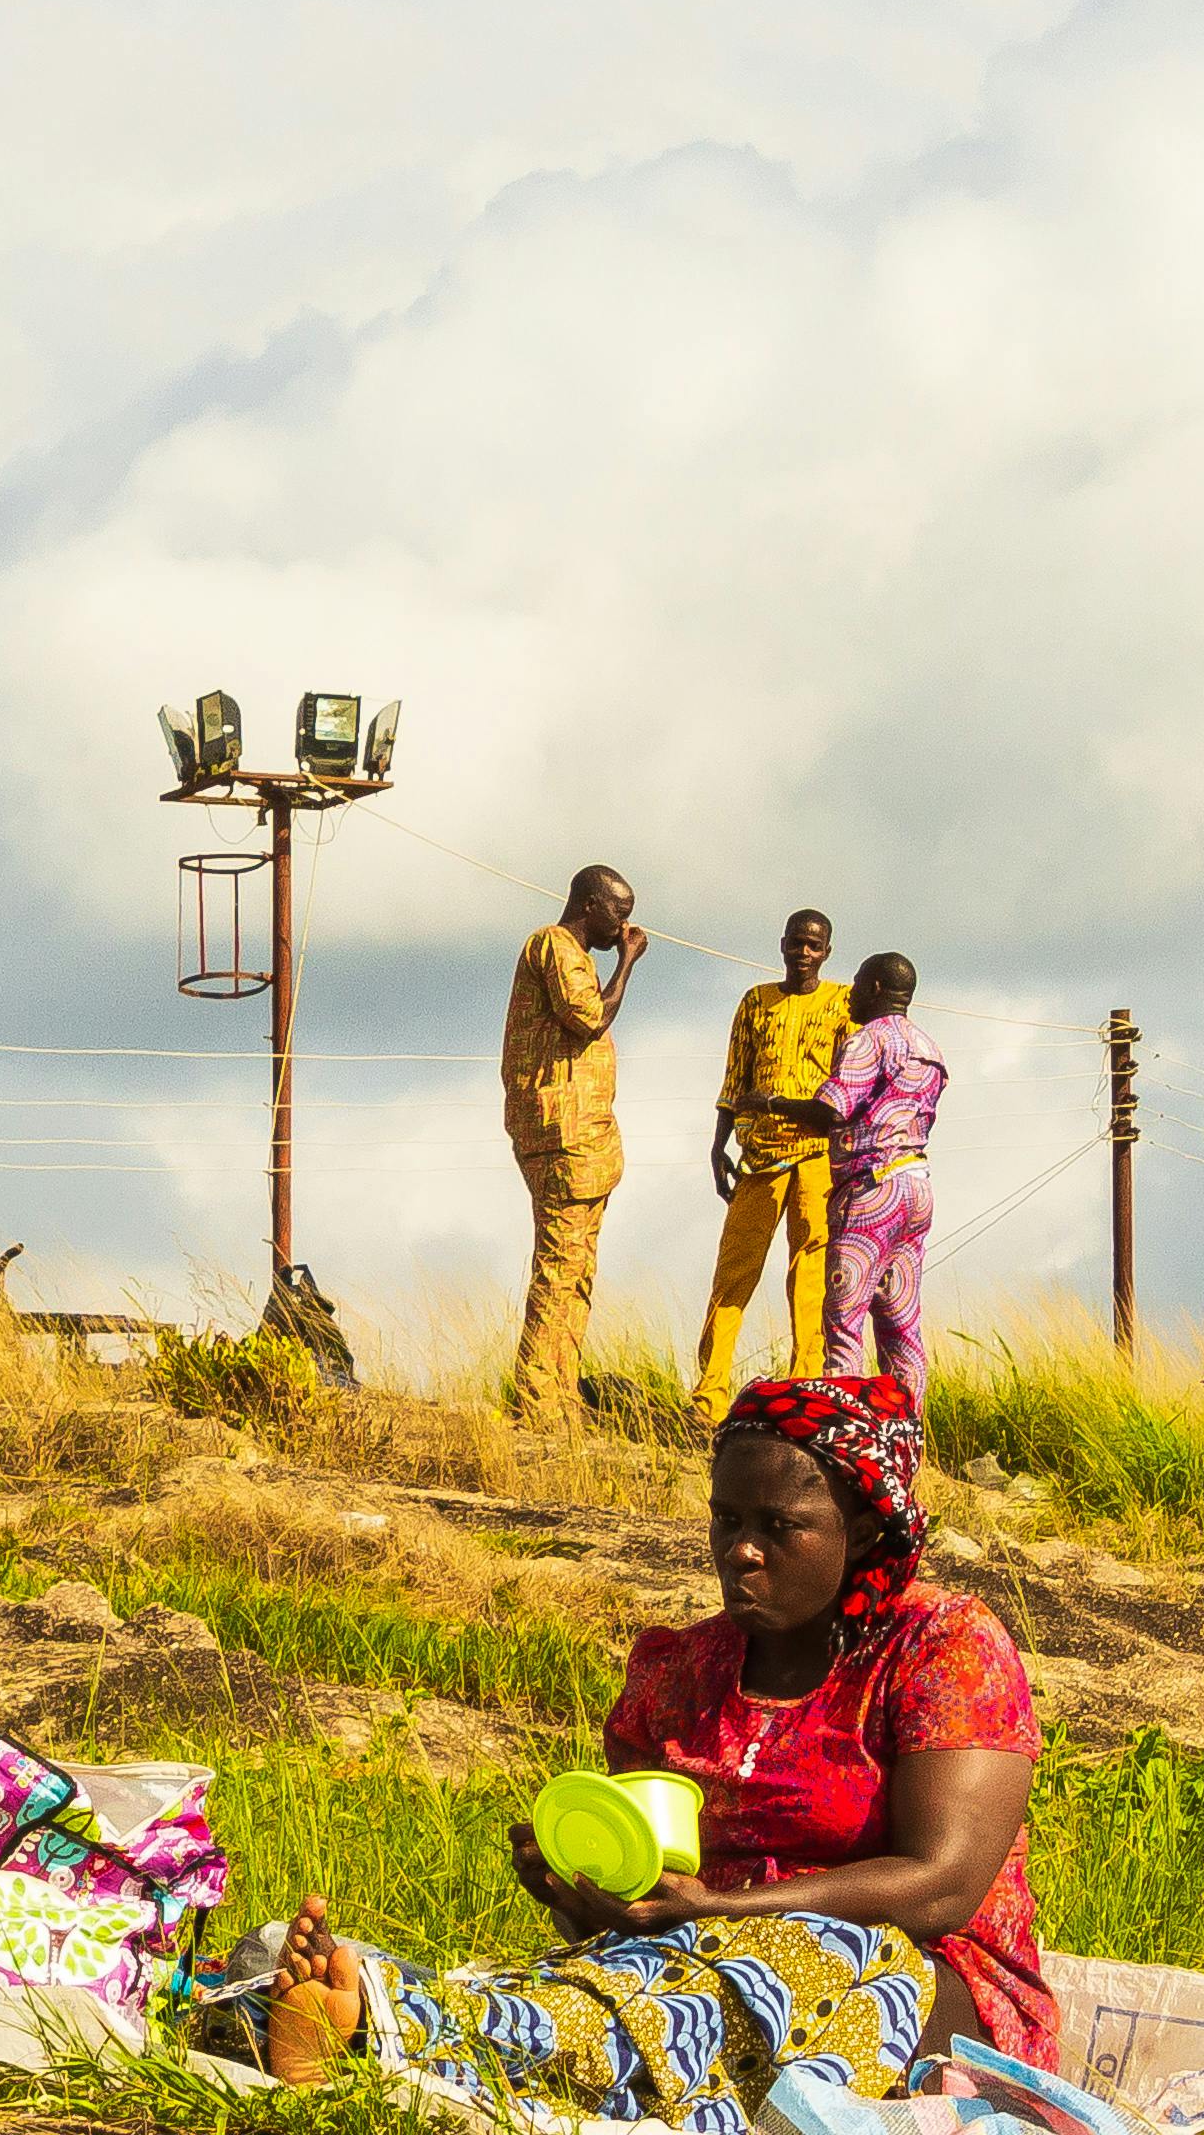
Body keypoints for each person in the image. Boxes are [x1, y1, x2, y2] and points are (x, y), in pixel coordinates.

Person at [252, 1375, 1052, 2117]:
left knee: (784, 1959)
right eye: (727, 1519)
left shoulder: (941, 1647)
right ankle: (388, 2020)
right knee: (636, 1989)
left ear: (865, 1529)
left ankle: (390, 2026)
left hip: (919, 1986)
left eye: (779, 1527)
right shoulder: (681, 1669)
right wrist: (584, 1895)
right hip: (688, 1964)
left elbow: (943, 1886)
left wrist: (724, 1909)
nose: (742, 1550)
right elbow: (646, 1923)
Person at [690, 911, 849, 1427]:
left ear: (827, 952)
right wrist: (718, 1146)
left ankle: (804, 1392)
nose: (804, 953)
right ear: (782, 945)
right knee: (734, 1273)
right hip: (758, 1157)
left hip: (818, 1156)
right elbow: (734, 1079)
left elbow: (849, 1086)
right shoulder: (756, 1001)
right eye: (796, 943)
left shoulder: (844, 1004)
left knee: (810, 1275)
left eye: (814, 946)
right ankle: (709, 1396)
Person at [504, 864, 649, 1425]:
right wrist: (627, 962)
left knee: (576, 1271)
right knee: (560, 1268)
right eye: (619, 911)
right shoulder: (554, 945)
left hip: (585, 1140)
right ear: (590, 904)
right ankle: (536, 1400)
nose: (624, 924)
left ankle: (561, 1395)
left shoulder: (576, 956)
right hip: (562, 1137)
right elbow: (588, 1018)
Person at [768, 953, 947, 1396]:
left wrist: (770, 1104)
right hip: (916, 1188)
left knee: (843, 1320)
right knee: (901, 1325)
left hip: (871, 1191)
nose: (849, 993)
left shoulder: (870, 1040)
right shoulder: (930, 1048)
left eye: (857, 982)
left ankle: (844, 1428)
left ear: (876, 988)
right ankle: (906, 1428)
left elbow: (831, 1110)